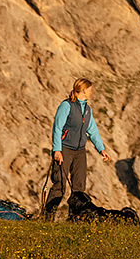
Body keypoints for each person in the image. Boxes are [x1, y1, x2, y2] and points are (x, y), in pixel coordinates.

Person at [44, 77, 115, 219]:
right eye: (90, 90)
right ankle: (47, 218)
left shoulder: (87, 109)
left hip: (80, 151)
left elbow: (92, 131)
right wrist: (56, 150)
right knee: (60, 185)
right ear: (83, 90)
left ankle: (74, 219)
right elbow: (57, 128)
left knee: (79, 188)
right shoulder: (66, 106)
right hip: (64, 149)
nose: (91, 93)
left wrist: (101, 149)